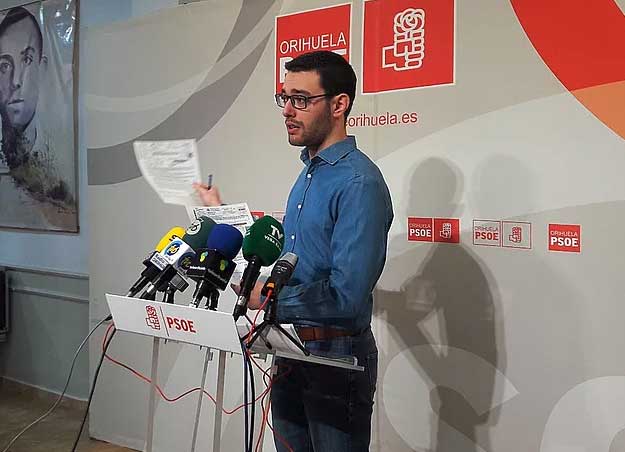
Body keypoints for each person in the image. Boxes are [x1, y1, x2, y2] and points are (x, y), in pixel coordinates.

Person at [195, 50, 393, 451]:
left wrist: (268, 300)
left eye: (301, 99)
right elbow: (291, 263)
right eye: (284, 98)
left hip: (335, 357)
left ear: (339, 105)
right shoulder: (308, 174)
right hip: (289, 348)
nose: (287, 110)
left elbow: (346, 295)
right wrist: (223, 215)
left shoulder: (359, 183)